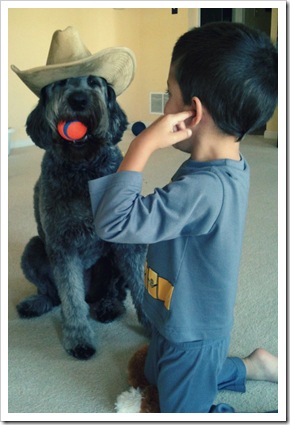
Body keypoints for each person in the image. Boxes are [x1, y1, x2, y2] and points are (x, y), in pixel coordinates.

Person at [89, 22, 278, 413]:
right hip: (173, 314)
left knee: (180, 411)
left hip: (193, 332)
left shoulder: (201, 191)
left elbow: (113, 222)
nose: (164, 105)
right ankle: (251, 365)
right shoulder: (225, 166)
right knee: (157, 374)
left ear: (191, 112)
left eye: (169, 94)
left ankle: (244, 369)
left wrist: (142, 145)